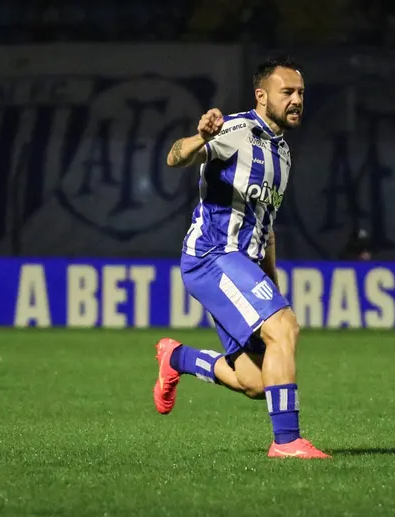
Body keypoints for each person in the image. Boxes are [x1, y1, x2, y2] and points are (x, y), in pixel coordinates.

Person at [154, 56, 330, 459]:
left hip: (243, 265)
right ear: (262, 95)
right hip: (212, 255)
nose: (297, 100)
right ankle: (286, 443)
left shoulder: (283, 154)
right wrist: (200, 136)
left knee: (258, 381)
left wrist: (271, 281)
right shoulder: (235, 129)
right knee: (284, 330)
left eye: (301, 92)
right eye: (287, 92)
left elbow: (265, 226)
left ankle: (176, 358)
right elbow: (174, 157)